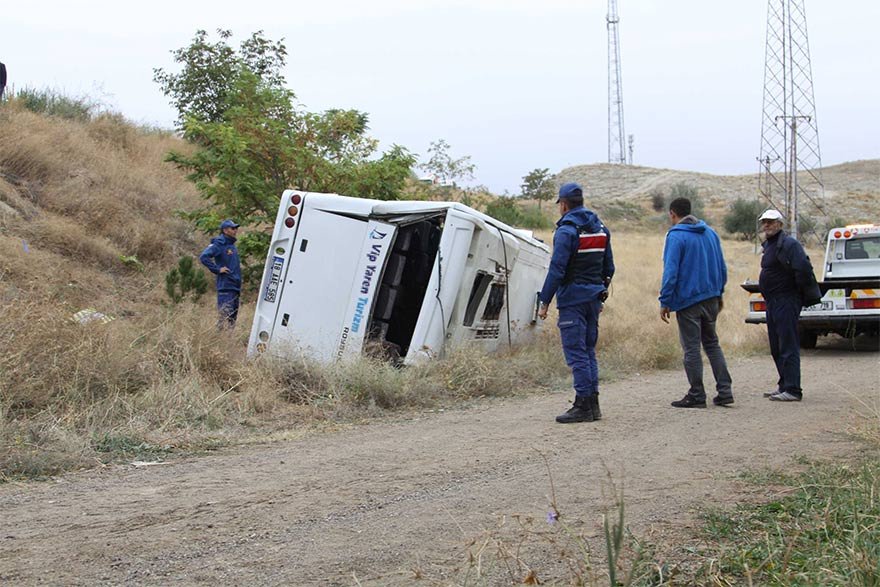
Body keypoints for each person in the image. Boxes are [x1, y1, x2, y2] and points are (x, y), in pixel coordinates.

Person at [537, 182, 615, 424]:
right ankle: (593, 405)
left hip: (572, 299)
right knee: (588, 351)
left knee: (576, 353)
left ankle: (582, 404)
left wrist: (544, 301)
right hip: (593, 298)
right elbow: (609, 267)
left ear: (563, 204)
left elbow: (557, 270)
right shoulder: (601, 229)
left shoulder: (566, 232)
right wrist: (600, 292)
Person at [659, 197, 733, 408]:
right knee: (712, 343)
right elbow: (722, 267)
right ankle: (725, 390)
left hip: (688, 301)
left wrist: (665, 300)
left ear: (672, 214)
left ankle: (697, 394)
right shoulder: (710, 233)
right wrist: (719, 292)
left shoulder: (676, 236)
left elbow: (671, 271)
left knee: (691, 348)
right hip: (711, 297)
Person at [756, 209, 822, 402]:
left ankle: (793, 389)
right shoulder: (770, 245)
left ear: (780, 224)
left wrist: (795, 293)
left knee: (788, 344)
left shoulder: (790, 244)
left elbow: (803, 268)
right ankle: (784, 384)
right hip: (773, 301)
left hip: (786, 300)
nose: (767, 225)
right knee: (776, 345)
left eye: (771, 222)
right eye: (765, 222)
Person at [199, 219, 242, 329]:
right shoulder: (219, 244)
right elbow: (204, 257)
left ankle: (228, 342)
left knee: (232, 319)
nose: (235, 230)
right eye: (233, 228)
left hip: (234, 286)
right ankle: (218, 339)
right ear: (225, 230)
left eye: (236, 228)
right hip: (226, 286)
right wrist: (217, 269)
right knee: (224, 316)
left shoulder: (231, 245)